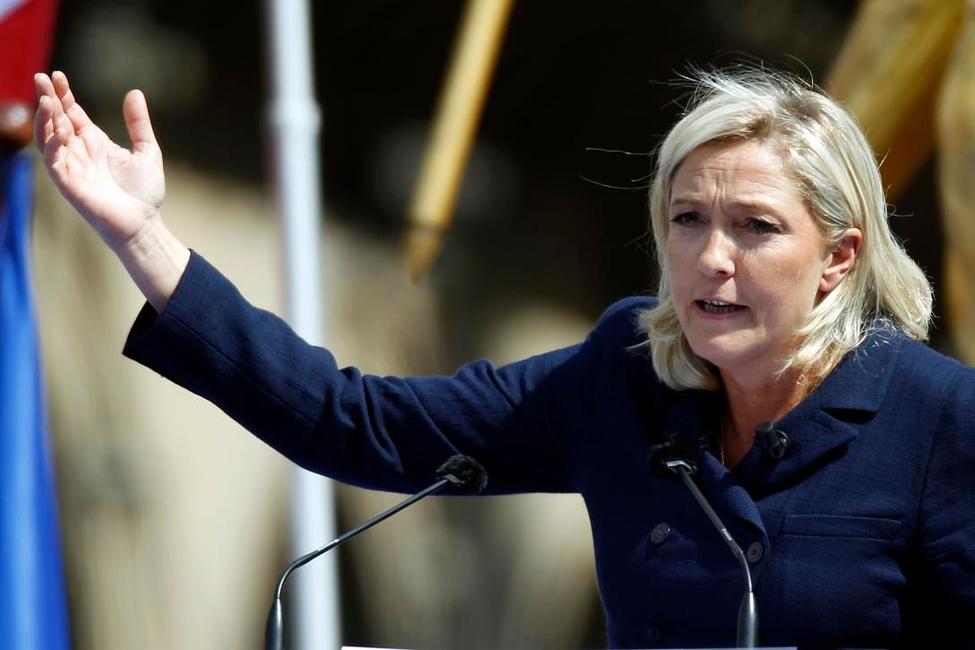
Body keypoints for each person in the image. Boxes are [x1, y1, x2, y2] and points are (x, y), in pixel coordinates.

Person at [34, 67, 975, 648]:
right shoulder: (623, 377)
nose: (710, 259)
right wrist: (143, 240)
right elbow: (352, 421)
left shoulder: (937, 419)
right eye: (687, 219)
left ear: (838, 257)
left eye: (755, 227)